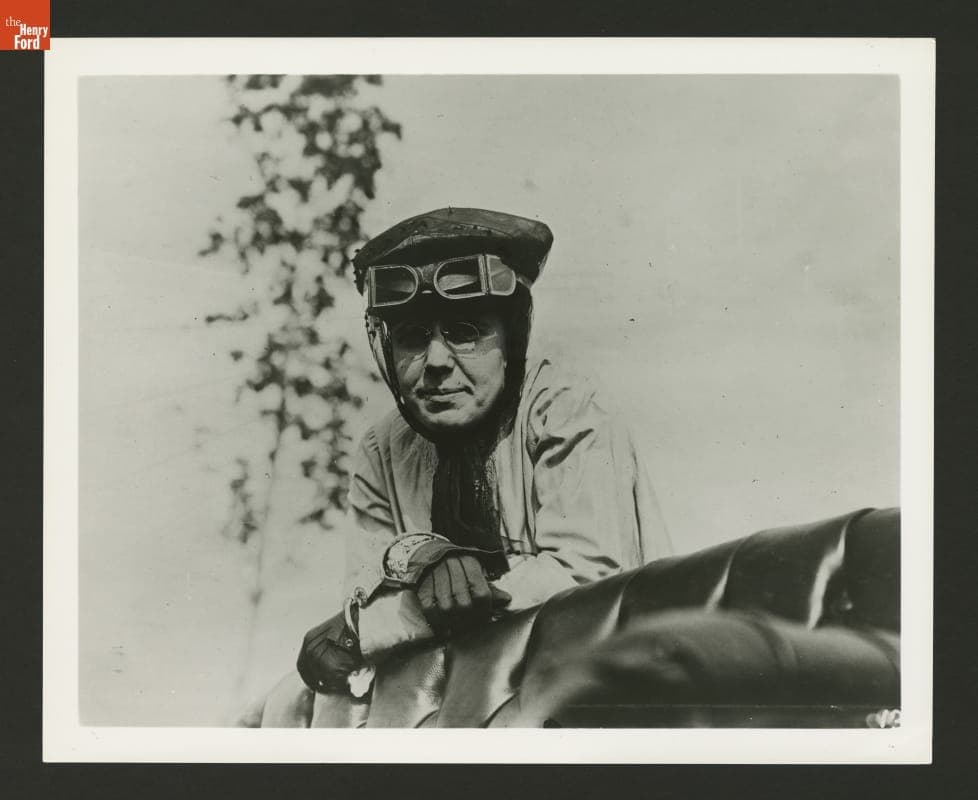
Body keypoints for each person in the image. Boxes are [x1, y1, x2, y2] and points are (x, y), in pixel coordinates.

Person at [296, 207, 671, 697]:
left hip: (608, 694)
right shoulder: (382, 450)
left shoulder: (564, 405)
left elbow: (587, 578)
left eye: (464, 332)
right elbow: (361, 599)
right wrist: (419, 555)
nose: (434, 362)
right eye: (412, 337)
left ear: (510, 339)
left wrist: (379, 622)